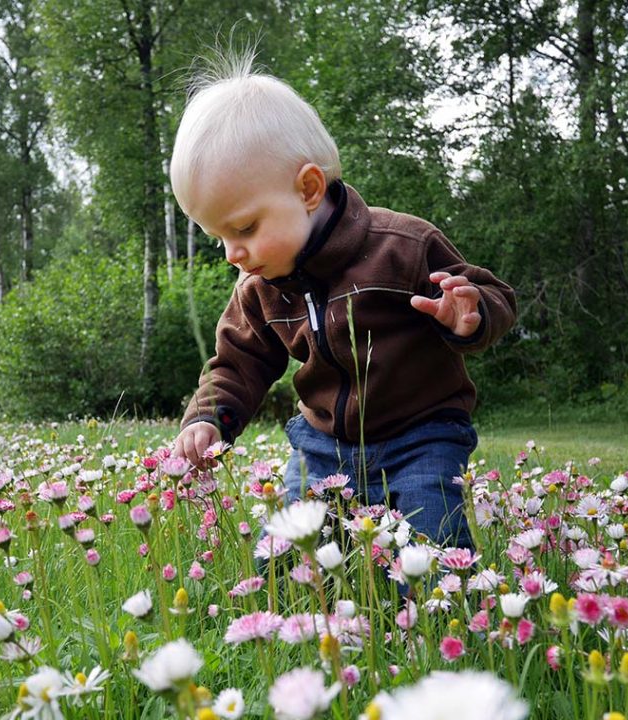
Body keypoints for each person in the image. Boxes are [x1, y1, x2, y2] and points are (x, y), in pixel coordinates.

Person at [169, 55, 517, 547]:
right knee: (286, 562)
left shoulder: (403, 246)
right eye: (217, 237)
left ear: (308, 189)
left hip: (422, 437)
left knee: (434, 554)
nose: (233, 254)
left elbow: (496, 295)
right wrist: (208, 418)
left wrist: (470, 313)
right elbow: (235, 363)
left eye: (244, 228)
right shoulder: (259, 288)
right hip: (324, 446)